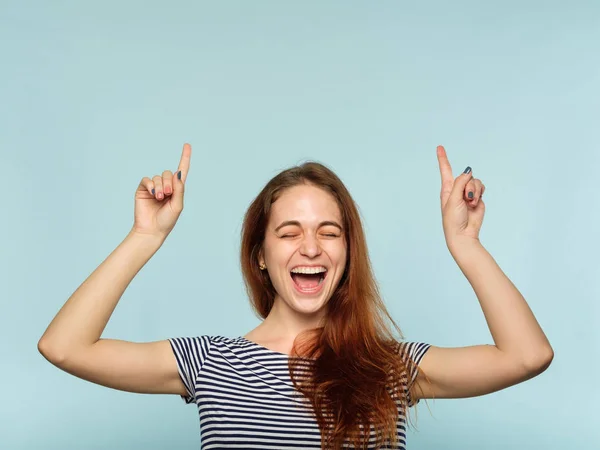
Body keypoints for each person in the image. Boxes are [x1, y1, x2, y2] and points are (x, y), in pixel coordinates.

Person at [38, 143, 553, 449]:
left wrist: (465, 245)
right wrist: (145, 236)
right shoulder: (209, 362)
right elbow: (65, 346)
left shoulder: (388, 366)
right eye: (289, 233)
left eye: (329, 232)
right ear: (261, 254)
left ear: (348, 252)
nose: (311, 247)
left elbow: (527, 356)